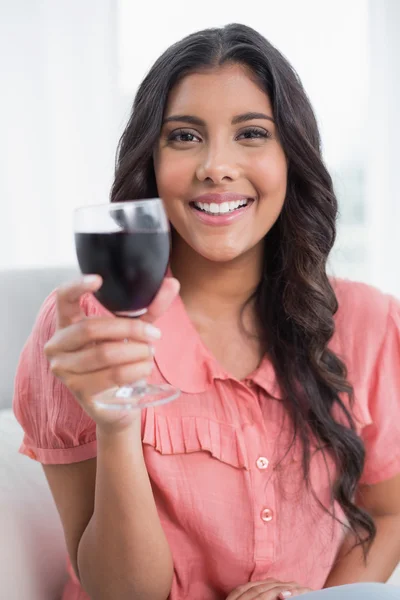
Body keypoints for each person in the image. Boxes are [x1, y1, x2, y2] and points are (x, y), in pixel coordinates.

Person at [13, 23, 400, 600]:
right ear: (152, 161)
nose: (216, 166)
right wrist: (117, 423)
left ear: (291, 157)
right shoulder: (87, 329)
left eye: (251, 133)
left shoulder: (369, 324)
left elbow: (389, 513)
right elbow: (120, 594)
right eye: (185, 137)